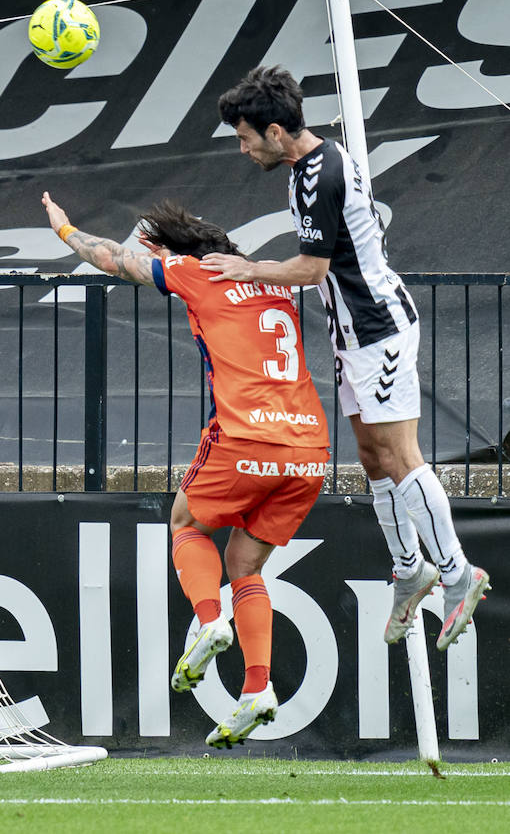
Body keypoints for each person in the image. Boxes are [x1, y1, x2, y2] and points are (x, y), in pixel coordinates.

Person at [211, 66, 490, 651]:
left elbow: (311, 270)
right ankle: (409, 569)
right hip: (351, 334)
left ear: (277, 132)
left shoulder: (320, 174)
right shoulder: (304, 167)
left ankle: (459, 574)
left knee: (399, 453)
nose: (241, 149)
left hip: (378, 328)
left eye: (244, 138)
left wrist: (249, 268)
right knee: (371, 457)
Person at [43, 193, 330, 748]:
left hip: (247, 434)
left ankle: (208, 620)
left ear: (170, 251)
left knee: (186, 524)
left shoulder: (196, 273)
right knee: (245, 564)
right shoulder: (273, 281)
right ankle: (257, 689)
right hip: (309, 451)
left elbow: (110, 260)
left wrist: (65, 230)